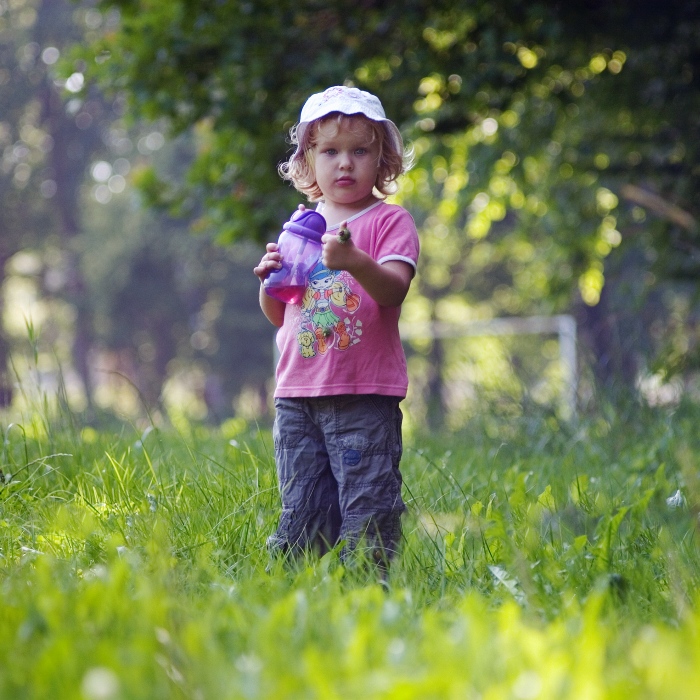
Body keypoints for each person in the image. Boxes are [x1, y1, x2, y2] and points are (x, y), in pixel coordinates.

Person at [253, 85, 419, 568]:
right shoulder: (301, 225)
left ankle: (366, 588)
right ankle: (299, 586)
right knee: (302, 507)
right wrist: (268, 282)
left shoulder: (390, 221)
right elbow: (281, 314)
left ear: (382, 159)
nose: (345, 163)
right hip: (297, 394)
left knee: (367, 507)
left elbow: (393, 290)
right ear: (307, 160)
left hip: (363, 392)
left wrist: (354, 261)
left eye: (360, 151)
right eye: (330, 152)